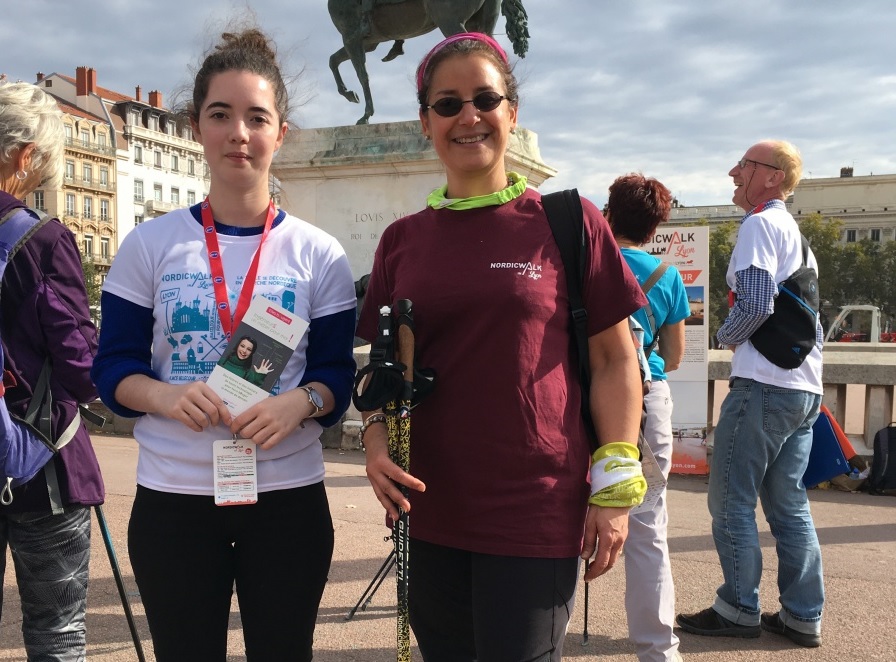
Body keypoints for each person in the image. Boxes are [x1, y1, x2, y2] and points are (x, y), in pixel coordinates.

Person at [355, 32, 648, 661]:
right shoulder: (400, 240)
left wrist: (615, 489)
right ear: (425, 121)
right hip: (428, 507)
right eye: (448, 102)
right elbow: (380, 374)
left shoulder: (569, 221)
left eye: (485, 98)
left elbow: (615, 358)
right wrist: (376, 443)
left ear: (511, 114)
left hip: (533, 507)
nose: (468, 116)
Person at [91, 26, 357, 661]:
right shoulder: (148, 246)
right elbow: (113, 369)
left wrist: (302, 403)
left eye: (256, 117)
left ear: (280, 132)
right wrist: (161, 394)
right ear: (196, 127)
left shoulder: (319, 253)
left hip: (287, 499)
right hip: (174, 500)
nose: (239, 133)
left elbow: (334, 377)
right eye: (221, 115)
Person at [676, 140, 824, 648]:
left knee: (730, 500)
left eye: (746, 165)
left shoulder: (760, 225)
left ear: (774, 178)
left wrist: (725, 336)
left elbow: (757, 301)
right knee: (789, 505)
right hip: (804, 387)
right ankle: (803, 616)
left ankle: (739, 607)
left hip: (764, 384)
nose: (734, 172)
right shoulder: (795, 233)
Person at [0, 80, 104, 659]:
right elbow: (80, 366)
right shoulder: (41, 239)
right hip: (43, 466)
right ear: (22, 155)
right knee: (56, 633)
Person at [606, 173, 690, 662]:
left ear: (608, 213)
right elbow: (674, 356)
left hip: (588, 396)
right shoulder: (667, 276)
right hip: (647, 397)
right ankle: (659, 650)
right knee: (647, 527)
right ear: (656, 226)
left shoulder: (587, 265)